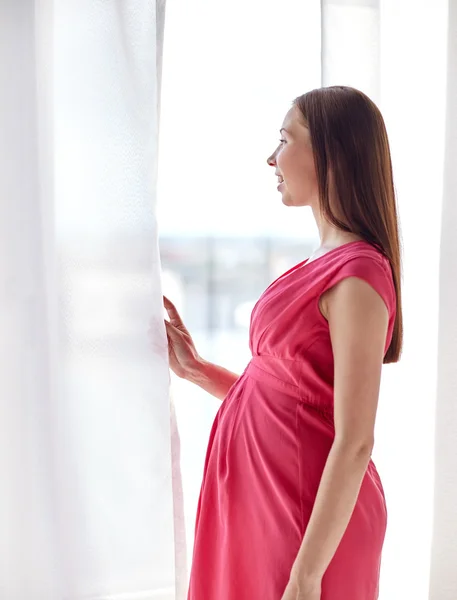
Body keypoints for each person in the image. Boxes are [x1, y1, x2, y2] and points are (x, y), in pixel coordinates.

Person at [162, 85, 402, 600]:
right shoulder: (323, 262)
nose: (271, 157)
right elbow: (287, 402)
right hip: (266, 507)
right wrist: (197, 369)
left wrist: (307, 574)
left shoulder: (357, 275)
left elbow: (355, 438)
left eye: (285, 139)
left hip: (302, 521)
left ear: (332, 154)